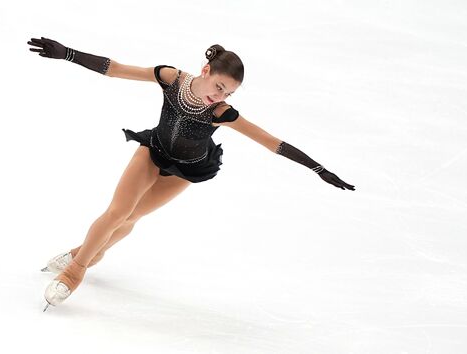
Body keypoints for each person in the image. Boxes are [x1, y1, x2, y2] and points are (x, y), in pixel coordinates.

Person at [27, 36, 355, 311]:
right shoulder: (171, 78)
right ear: (206, 70)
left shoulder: (223, 113)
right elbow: (115, 69)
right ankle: (74, 272)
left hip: (185, 170)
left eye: (228, 93)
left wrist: (318, 168)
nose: (221, 96)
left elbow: (269, 141)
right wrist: (68, 54)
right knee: (117, 212)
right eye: (219, 86)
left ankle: (83, 252)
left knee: (129, 220)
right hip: (153, 150)